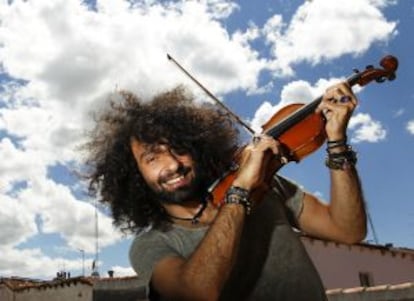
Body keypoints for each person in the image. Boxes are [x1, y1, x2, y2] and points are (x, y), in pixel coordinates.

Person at [84, 83, 366, 301]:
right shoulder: (151, 244)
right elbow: (196, 294)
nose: (172, 164)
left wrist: (337, 141)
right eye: (152, 157)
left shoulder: (267, 186)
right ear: (135, 176)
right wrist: (241, 191)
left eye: (179, 149)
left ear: (196, 148)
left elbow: (347, 230)